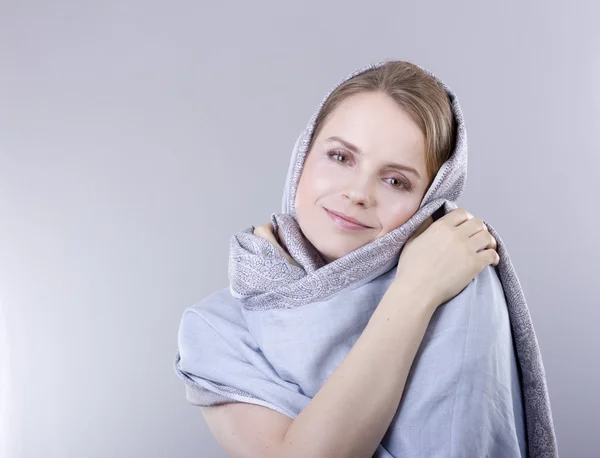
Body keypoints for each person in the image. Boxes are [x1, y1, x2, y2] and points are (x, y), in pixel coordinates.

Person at [175, 61, 554, 457]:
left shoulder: (460, 283)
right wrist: (413, 292)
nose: (358, 192)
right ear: (303, 155)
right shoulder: (215, 329)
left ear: (430, 201)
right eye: (340, 157)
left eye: (395, 181)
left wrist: (426, 286)